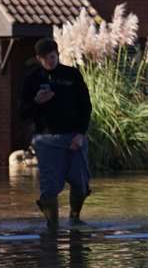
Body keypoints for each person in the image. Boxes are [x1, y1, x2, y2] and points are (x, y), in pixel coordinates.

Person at [20, 37, 93, 232]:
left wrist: (80, 133)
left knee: (80, 182)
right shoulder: (32, 79)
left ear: (57, 54)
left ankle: (75, 218)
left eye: (51, 57)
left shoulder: (72, 75)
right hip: (46, 140)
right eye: (44, 58)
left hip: (74, 136)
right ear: (38, 58)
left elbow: (86, 106)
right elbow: (22, 112)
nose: (49, 61)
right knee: (50, 186)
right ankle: (52, 227)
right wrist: (36, 101)